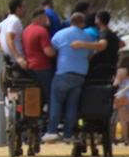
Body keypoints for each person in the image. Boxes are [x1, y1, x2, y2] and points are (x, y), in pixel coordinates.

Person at [42, 13, 94, 143]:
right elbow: (90, 55)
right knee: (72, 105)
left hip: (64, 73)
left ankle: (52, 131)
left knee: (56, 102)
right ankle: (68, 134)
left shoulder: (61, 34)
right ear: (82, 23)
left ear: (71, 22)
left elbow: (51, 51)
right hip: (80, 74)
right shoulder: (87, 37)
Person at [72, 11, 124, 81]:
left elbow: (102, 45)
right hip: (112, 65)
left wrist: (81, 44)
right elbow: (122, 44)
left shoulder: (104, 32)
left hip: (100, 66)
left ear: (98, 20)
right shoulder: (112, 33)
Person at [22, 9, 56, 108]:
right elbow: (48, 52)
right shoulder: (42, 31)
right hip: (43, 67)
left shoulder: (26, 30)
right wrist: (56, 53)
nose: (47, 20)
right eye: (46, 18)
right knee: (50, 95)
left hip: (31, 67)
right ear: (41, 18)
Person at [0, 0, 27, 69]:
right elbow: (9, 39)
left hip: (10, 60)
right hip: (17, 61)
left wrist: (1, 48)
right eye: (24, 7)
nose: (26, 9)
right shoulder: (15, 21)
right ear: (18, 9)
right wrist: (18, 58)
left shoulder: (7, 20)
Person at [113, 36, 129, 145]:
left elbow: (117, 82)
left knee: (122, 118)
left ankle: (126, 138)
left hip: (123, 93)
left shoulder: (123, 65)